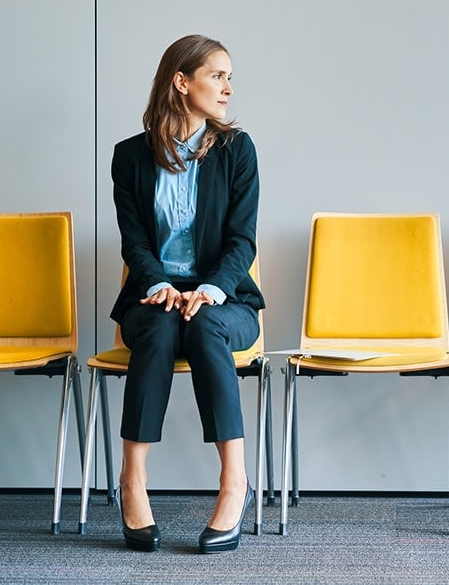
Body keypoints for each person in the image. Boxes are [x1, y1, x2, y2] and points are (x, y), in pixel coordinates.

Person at [109, 34, 265, 553]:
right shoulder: (130, 157)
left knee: (204, 324)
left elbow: (242, 240)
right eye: (217, 75)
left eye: (228, 76)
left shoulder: (237, 151)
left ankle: (235, 483)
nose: (228, 86)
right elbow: (134, 240)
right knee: (156, 326)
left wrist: (211, 289)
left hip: (226, 301)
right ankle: (132, 481)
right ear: (182, 81)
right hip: (153, 298)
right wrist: (157, 285)